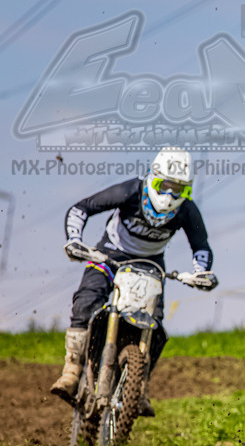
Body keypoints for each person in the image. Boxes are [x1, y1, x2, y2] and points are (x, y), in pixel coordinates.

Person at [50, 147, 218, 416]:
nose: (169, 195)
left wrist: (200, 272)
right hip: (108, 255)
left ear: (187, 190)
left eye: (178, 189)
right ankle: (71, 371)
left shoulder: (187, 210)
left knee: (156, 325)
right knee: (86, 301)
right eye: (165, 186)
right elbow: (81, 208)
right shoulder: (130, 191)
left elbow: (202, 246)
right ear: (152, 179)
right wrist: (74, 240)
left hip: (150, 266)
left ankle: (138, 388)